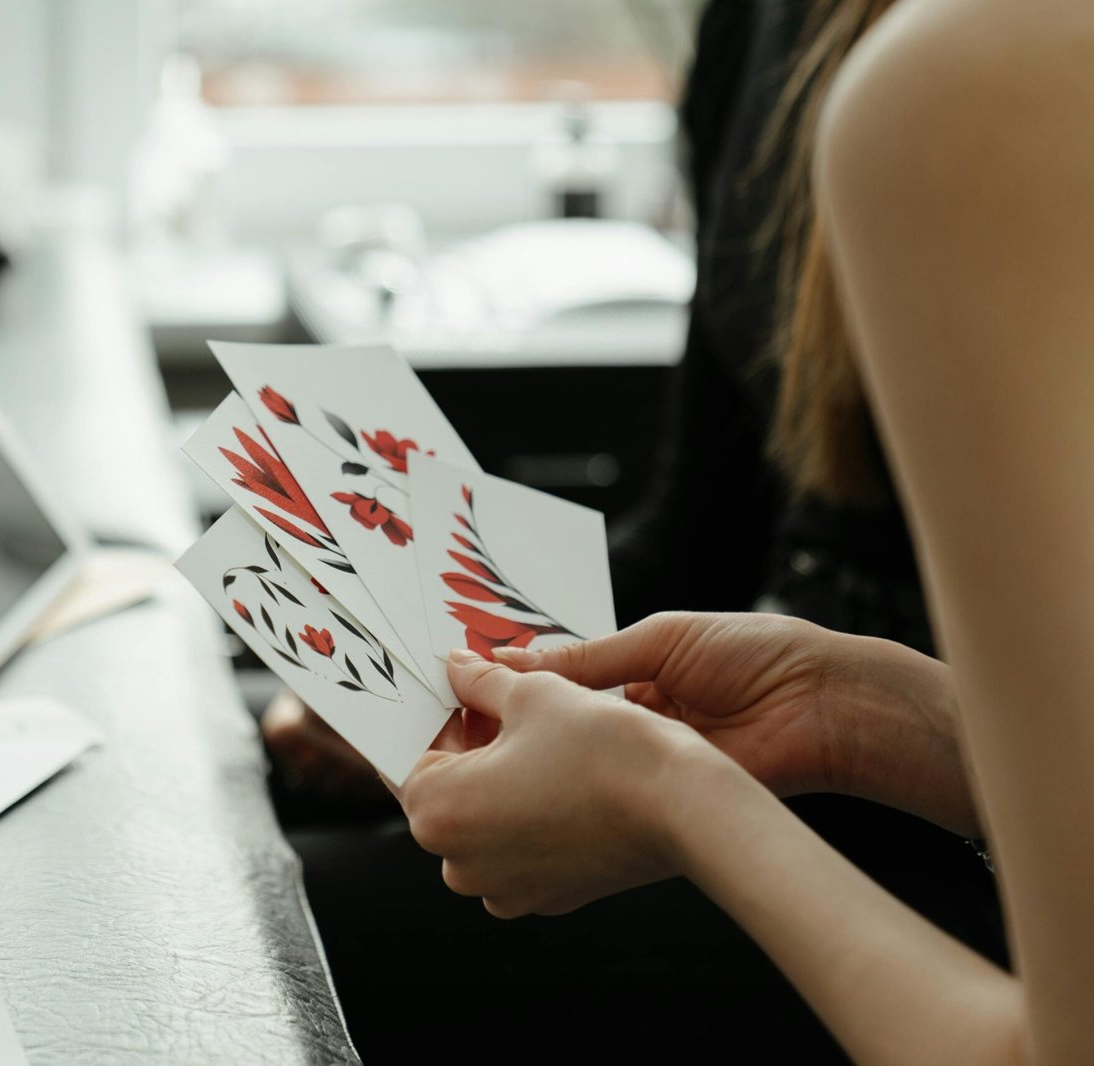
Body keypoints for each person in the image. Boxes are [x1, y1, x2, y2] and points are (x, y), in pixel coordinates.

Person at [270, 2, 1001, 1060]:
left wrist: (675, 794)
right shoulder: (766, 26)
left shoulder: (993, 75)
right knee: (239, 828)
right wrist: (425, 666)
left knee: (266, 930)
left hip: (974, 874)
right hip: (848, 752)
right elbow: (696, 536)